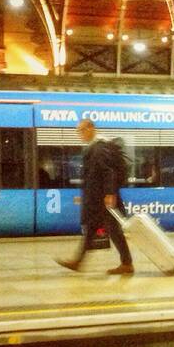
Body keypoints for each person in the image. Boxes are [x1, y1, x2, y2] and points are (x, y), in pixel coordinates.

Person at [56, 118, 134, 275]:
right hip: (98, 198)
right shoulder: (95, 147)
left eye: (81, 130)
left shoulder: (99, 147)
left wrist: (110, 194)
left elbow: (108, 172)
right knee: (97, 229)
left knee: (111, 230)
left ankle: (126, 263)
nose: (80, 134)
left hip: (103, 199)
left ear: (90, 128)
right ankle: (79, 261)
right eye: (78, 131)